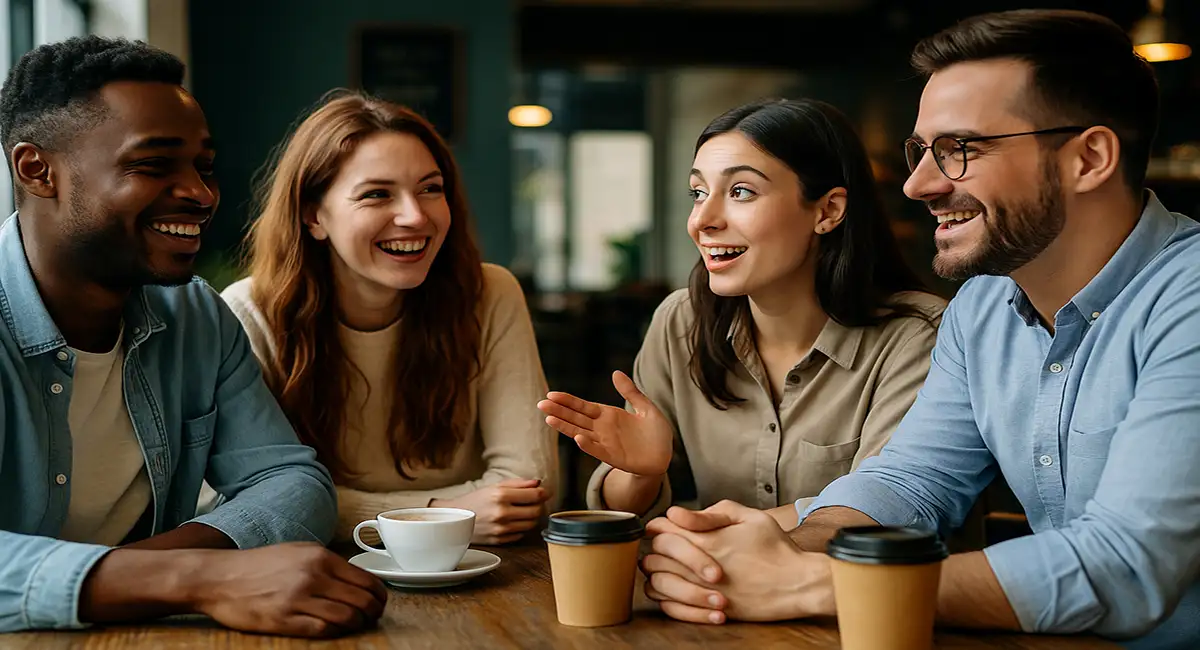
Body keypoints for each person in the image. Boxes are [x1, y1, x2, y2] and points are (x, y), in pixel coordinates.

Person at [638, 10, 1200, 649]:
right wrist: (768, 541)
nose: (918, 184)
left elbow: (1130, 565)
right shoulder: (980, 310)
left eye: (960, 149)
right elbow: (910, 481)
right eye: (921, 151)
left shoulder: (1189, 297)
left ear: (1088, 158)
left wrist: (812, 582)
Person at [0, 36, 386, 636]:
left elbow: (292, 483)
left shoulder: (194, 315)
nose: (203, 195)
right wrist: (197, 578)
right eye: (153, 165)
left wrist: (137, 575)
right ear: (37, 170)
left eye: (203, 167)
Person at [537, 98, 945, 528]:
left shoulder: (918, 336)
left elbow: (885, 509)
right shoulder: (682, 322)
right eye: (698, 192)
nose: (703, 220)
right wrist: (641, 469)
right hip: (708, 585)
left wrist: (718, 536)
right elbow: (622, 514)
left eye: (741, 192)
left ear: (827, 211)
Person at [218, 90, 557, 546]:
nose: (415, 216)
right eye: (377, 194)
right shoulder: (249, 313)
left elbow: (529, 490)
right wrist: (439, 516)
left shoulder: (490, 293)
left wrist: (334, 511)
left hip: (475, 572)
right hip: (308, 578)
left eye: (430, 189)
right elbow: (239, 503)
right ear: (313, 215)